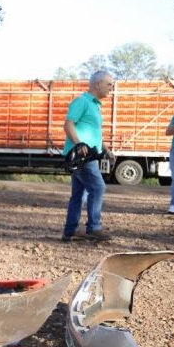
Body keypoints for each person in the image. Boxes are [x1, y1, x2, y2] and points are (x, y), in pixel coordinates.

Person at [61, 70, 115, 242]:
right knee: (98, 187)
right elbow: (68, 124)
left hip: (88, 155)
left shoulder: (95, 105)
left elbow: (93, 134)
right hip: (81, 156)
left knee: (78, 193)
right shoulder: (82, 101)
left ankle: (70, 231)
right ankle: (94, 227)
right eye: (109, 84)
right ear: (97, 84)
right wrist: (79, 144)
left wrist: (106, 149)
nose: (111, 88)